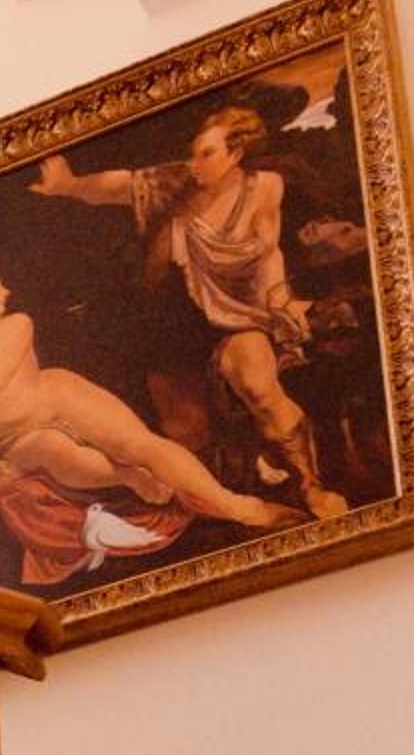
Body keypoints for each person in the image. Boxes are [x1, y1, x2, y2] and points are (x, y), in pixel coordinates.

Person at [32, 105, 351, 520]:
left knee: (258, 386)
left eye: (208, 153)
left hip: (236, 311)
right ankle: (234, 503)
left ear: (236, 154)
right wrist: (69, 185)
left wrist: (280, 300)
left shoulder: (266, 187)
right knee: (187, 433)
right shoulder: (174, 182)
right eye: (195, 152)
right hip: (172, 320)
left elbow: (269, 254)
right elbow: (116, 186)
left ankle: (311, 487)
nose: (195, 163)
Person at [0, 264, 295, 533]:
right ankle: (128, 478)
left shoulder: (15, 325)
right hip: (11, 440)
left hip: (55, 394)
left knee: (139, 445)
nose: (5, 292)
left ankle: (237, 506)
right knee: (56, 448)